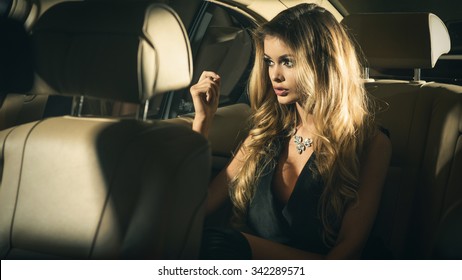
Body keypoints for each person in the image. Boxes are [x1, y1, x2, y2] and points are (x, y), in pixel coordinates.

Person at [189, 3, 391, 259]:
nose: (275, 75)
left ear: (323, 63)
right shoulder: (264, 136)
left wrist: (245, 247)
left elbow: (347, 252)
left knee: (217, 243)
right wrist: (202, 122)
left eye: (287, 61)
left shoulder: (370, 144)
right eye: (269, 62)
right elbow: (198, 208)